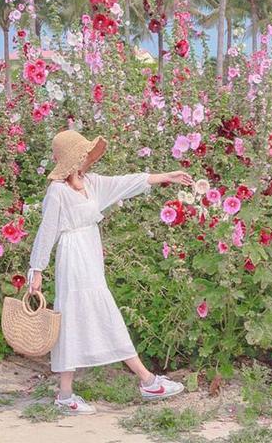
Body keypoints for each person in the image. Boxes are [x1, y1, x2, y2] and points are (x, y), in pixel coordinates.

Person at [26, 129, 193, 415]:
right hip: (73, 257)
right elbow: (47, 231)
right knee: (95, 312)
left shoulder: (91, 183)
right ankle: (146, 380)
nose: (87, 157)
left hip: (89, 252)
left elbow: (125, 183)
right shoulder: (57, 192)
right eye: (81, 153)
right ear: (72, 158)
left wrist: (165, 175)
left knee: (75, 318)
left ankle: (66, 395)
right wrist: (36, 269)